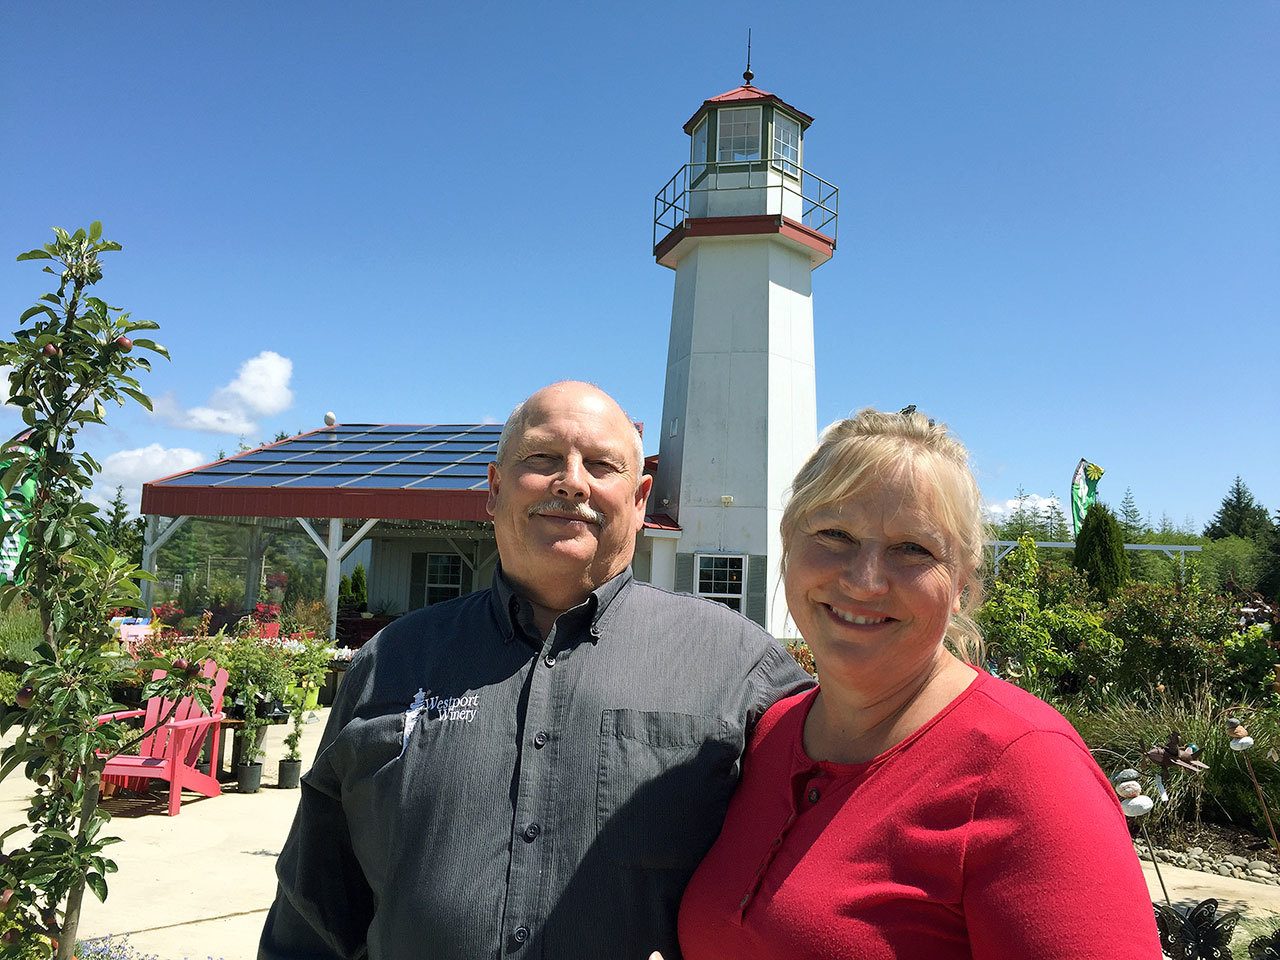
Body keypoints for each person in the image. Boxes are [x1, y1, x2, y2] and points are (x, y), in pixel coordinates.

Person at [258, 380, 813, 960]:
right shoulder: (391, 661)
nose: (573, 481)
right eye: (542, 458)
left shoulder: (739, 668)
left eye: (601, 464)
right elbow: (313, 909)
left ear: (641, 498)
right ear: (494, 490)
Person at [674, 409, 1162, 960]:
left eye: (913, 549)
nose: (864, 579)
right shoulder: (769, 734)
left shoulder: (1027, 770)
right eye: (834, 534)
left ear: (960, 584)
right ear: (789, 544)